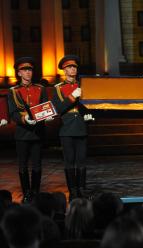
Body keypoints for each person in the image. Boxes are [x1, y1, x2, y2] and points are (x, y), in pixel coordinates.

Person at [7, 57, 51, 203]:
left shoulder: (40, 88)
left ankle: (36, 193)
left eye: (30, 70)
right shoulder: (13, 91)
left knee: (37, 164)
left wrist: (48, 115)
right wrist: (25, 119)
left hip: (37, 133)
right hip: (22, 133)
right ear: (19, 73)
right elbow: (13, 113)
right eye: (25, 70)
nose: (28, 73)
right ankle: (26, 193)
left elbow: (45, 107)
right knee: (23, 164)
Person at [52, 55, 94, 202]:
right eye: (69, 67)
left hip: (81, 126)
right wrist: (71, 97)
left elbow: (90, 104)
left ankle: (81, 189)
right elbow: (57, 109)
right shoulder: (58, 88)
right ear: (64, 70)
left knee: (81, 160)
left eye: (74, 67)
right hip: (66, 129)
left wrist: (90, 115)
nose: (72, 69)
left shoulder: (83, 85)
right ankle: (73, 190)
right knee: (69, 161)